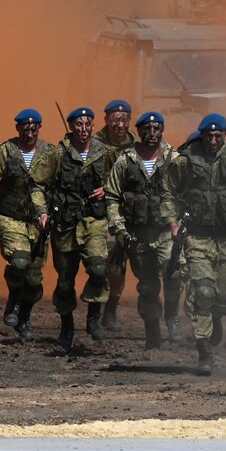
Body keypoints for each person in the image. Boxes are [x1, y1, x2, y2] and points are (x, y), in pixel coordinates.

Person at [160, 113, 226, 374]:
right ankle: (204, 351)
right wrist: (172, 223)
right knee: (203, 293)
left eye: (218, 135)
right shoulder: (185, 161)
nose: (212, 140)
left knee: (223, 299)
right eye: (208, 135)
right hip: (198, 236)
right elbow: (168, 192)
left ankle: (217, 318)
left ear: (225, 135)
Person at [34, 106, 114, 351]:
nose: (83, 129)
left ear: (93, 125)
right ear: (71, 127)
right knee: (66, 279)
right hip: (66, 224)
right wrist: (42, 211)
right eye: (78, 124)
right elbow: (37, 184)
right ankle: (66, 326)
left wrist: (107, 189)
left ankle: (93, 318)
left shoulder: (105, 153)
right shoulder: (58, 154)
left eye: (87, 124)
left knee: (99, 268)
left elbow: (120, 180)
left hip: (94, 222)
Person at [0, 108, 58, 342]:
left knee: (34, 279)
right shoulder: (7, 150)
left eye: (34, 129)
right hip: (10, 216)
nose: (29, 133)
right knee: (19, 261)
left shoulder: (50, 154)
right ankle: (13, 299)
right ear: (18, 128)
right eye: (25, 128)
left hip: (38, 222)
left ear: (40, 129)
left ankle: (24, 317)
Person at [104, 111, 180, 350]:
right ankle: (152, 329)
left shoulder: (175, 160)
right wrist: (119, 229)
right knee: (147, 285)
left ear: (163, 130)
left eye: (156, 129)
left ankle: (172, 317)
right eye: (146, 129)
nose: (152, 134)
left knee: (175, 276)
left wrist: (181, 224)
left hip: (166, 233)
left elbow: (187, 194)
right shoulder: (126, 161)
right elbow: (112, 196)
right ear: (138, 132)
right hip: (138, 234)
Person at [94, 99, 136, 332]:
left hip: (131, 213)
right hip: (102, 214)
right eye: (115, 119)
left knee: (119, 267)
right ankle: (97, 310)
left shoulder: (138, 145)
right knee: (103, 264)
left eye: (124, 119)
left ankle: (111, 308)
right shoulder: (94, 144)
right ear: (106, 120)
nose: (119, 124)